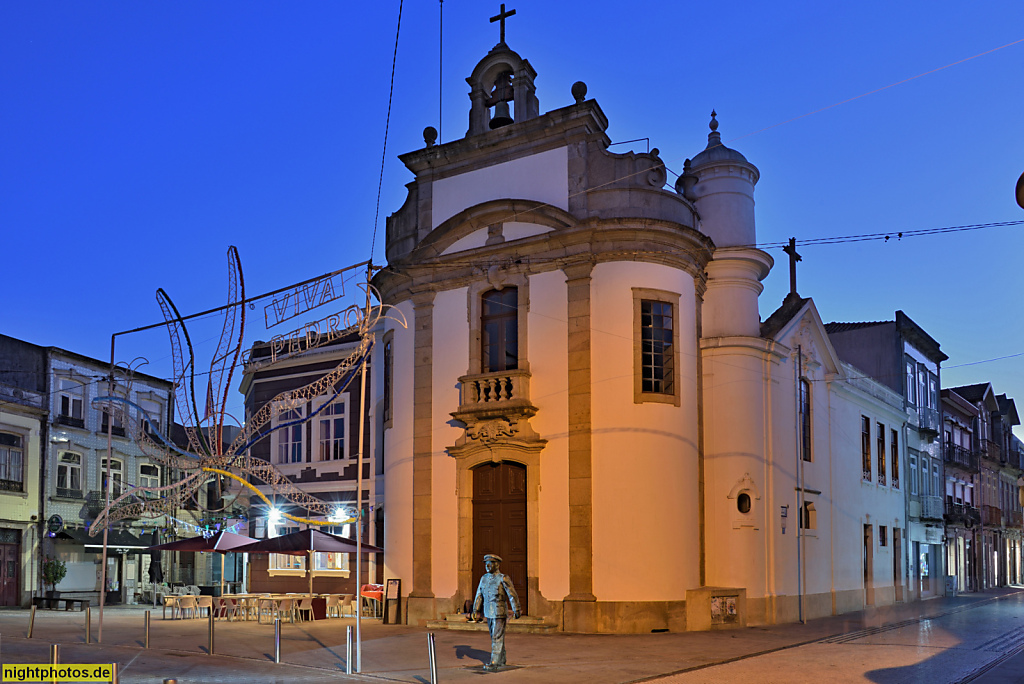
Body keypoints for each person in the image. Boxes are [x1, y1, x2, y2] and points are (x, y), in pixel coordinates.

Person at [472, 553, 521, 670]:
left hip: (499, 611)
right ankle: (501, 659)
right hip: (488, 611)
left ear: (497, 564)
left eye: (490, 564)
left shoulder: (503, 578)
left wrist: (516, 609)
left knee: (496, 637)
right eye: (486, 564)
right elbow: (479, 594)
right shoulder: (483, 579)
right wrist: (475, 609)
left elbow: (512, 595)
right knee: (495, 636)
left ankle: (494, 662)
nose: (487, 566)